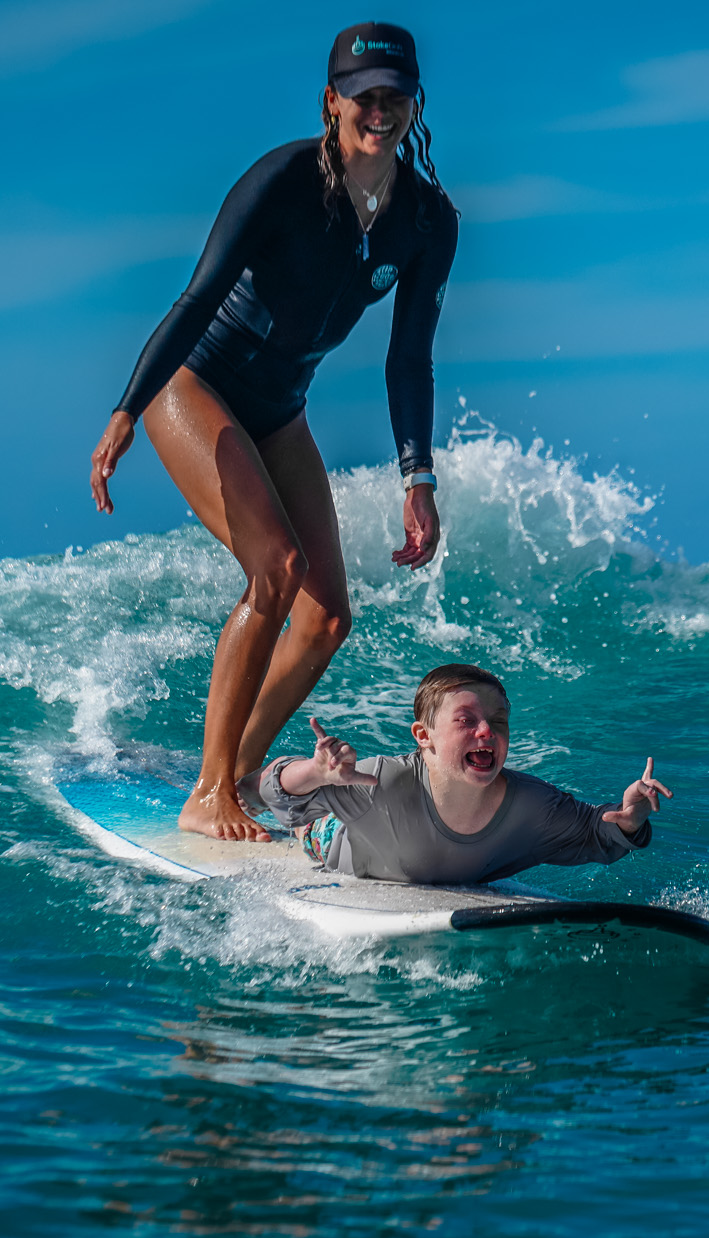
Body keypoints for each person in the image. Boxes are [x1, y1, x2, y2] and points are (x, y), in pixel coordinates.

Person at [87, 22, 458, 843]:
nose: (381, 110)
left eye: (395, 96)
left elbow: (409, 359)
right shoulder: (283, 182)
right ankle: (206, 792)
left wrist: (417, 477)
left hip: (281, 408)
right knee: (275, 566)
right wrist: (125, 409)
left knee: (327, 615)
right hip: (194, 386)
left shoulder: (427, 221)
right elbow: (195, 300)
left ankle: (237, 774)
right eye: (364, 96)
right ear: (333, 103)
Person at [255, 663, 673, 886]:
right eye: (466, 720)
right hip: (341, 843)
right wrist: (313, 772)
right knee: (301, 821)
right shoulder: (380, 782)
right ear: (424, 735)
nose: (486, 731)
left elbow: (593, 833)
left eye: (498, 721)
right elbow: (275, 795)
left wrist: (630, 819)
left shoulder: (530, 807)